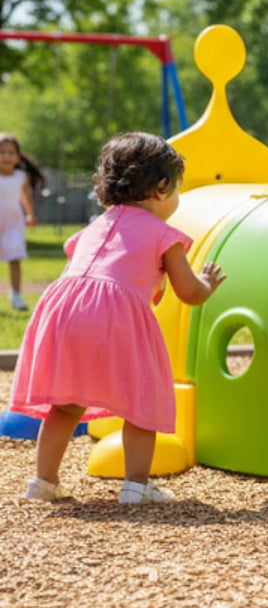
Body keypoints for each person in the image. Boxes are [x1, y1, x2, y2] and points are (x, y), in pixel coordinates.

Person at [9, 132, 226, 504]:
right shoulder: (165, 235)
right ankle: (136, 487)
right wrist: (206, 282)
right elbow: (189, 293)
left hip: (62, 312)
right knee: (141, 401)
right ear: (161, 187)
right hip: (114, 315)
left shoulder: (95, 226)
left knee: (65, 404)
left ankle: (43, 482)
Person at [0, 132, 44, 311]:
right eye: (2, 152)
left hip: (13, 224)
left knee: (15, 258)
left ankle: (16, 295)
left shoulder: (20, 177)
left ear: (18, 157)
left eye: (11, 152)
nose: (6, 156)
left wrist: (31, 214)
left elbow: (25, 197)